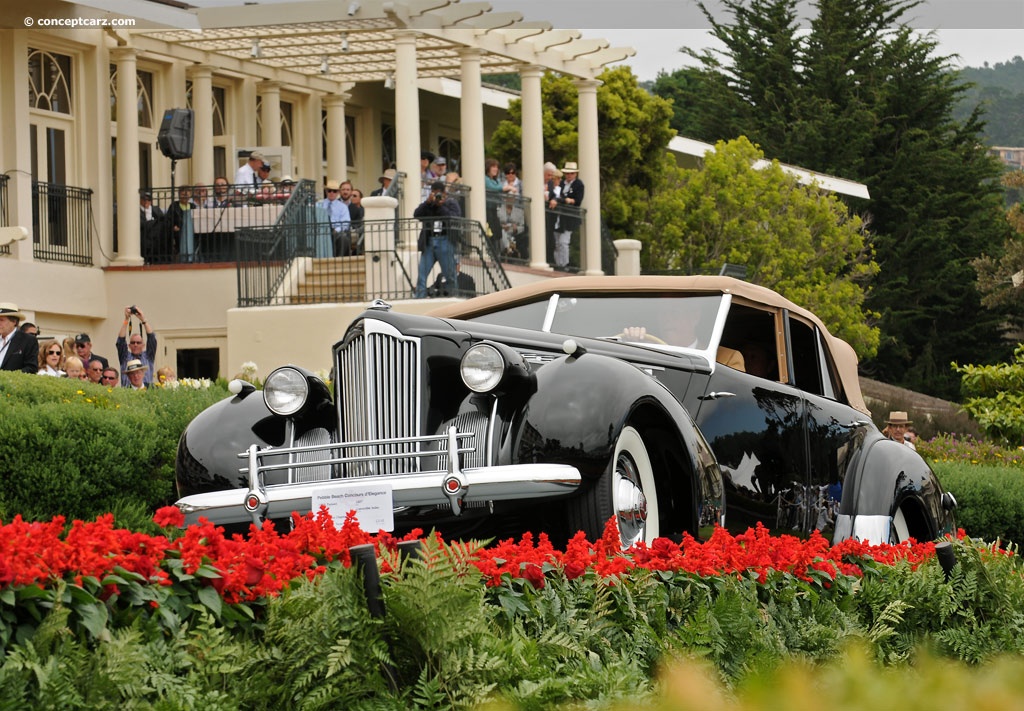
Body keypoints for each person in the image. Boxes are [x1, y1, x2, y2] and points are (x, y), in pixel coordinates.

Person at [414, 180, 461, 298]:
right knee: (422, 274)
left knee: (449, 274)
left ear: (444, 193)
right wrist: (427, 203)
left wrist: (441, 206)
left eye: (438, 193)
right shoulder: (429, 205)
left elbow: (453, 218)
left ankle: (453, 297)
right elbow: (417, 215)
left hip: (445, 240)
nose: (437, 196)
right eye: (434, 193)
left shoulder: (451, 203)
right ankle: (419, 298)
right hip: (429, 241)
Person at [551, 161, 584, 270]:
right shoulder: (562, 183)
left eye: (572, 173)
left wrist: (566, 200)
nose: (569, 175)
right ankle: (558, 263)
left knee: (563, 242)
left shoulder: (578, 184)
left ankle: (564, 264)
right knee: (556, 242)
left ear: (575, 174)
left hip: (569, 217)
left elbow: (577, 200)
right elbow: (557, 195)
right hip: (558, 216)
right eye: (567, 173)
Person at [116, 305, 157, 387]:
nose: (135, 345)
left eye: (138, 343)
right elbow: (120, 341)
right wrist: (126, 319)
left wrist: (143, 319)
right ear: (129, 345)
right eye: (133, 342)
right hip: (128, 394)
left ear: (143, 345)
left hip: (146, 394)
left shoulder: (148, 356)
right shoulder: (125, 357)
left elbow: (152, 339)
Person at [319, 180, 352, 256]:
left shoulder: (342, 207)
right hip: (321, 231)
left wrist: (336, 230)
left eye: (334, 191)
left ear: (338, 193)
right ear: (326, 191)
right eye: (329, 190)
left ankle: (339, 260)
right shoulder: (319, 204)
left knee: (343, 239)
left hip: (335, 231)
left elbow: (346, 222)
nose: (331, 193)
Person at [497, 193, 527, 258]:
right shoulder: (499, 210)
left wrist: (516, 229)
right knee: (502, 232)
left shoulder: (519, 211)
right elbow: (496, 222)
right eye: (509, 198)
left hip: (513, 232)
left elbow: (522, 226)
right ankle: (508, 248)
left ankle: (507, 249)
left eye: (512, 199)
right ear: (505, 199)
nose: (510, 200)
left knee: (504, 234)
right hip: (502, 230)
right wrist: (501, 226)